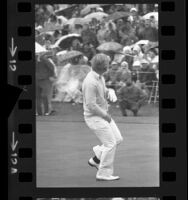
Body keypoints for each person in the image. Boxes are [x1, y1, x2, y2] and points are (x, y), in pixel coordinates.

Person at [82, 53, 123, 181]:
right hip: (94, 118)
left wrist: (109, 91)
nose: (109, 66)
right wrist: (106, 116)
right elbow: (90, 105)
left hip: (102, 115)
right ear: (104, 67)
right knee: (110, 144)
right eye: (108, 64)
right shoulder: (91, 82)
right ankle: (103, 174)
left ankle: (96, 159)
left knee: (118, 139)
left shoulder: (100, 77)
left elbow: (101, 91)